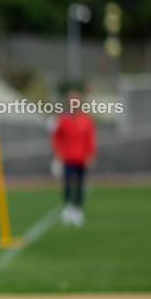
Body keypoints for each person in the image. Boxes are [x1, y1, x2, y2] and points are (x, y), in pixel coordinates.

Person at [50, 89, 97, 226]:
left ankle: (78, 209)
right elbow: (55, 137)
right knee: (68, 183)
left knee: (80, 184)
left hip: (81, 158)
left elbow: (90, 138)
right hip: (68, 158)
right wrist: (58, 153)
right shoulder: (62, 118)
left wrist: (91, 154)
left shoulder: (86, 119)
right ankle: (67, 207)